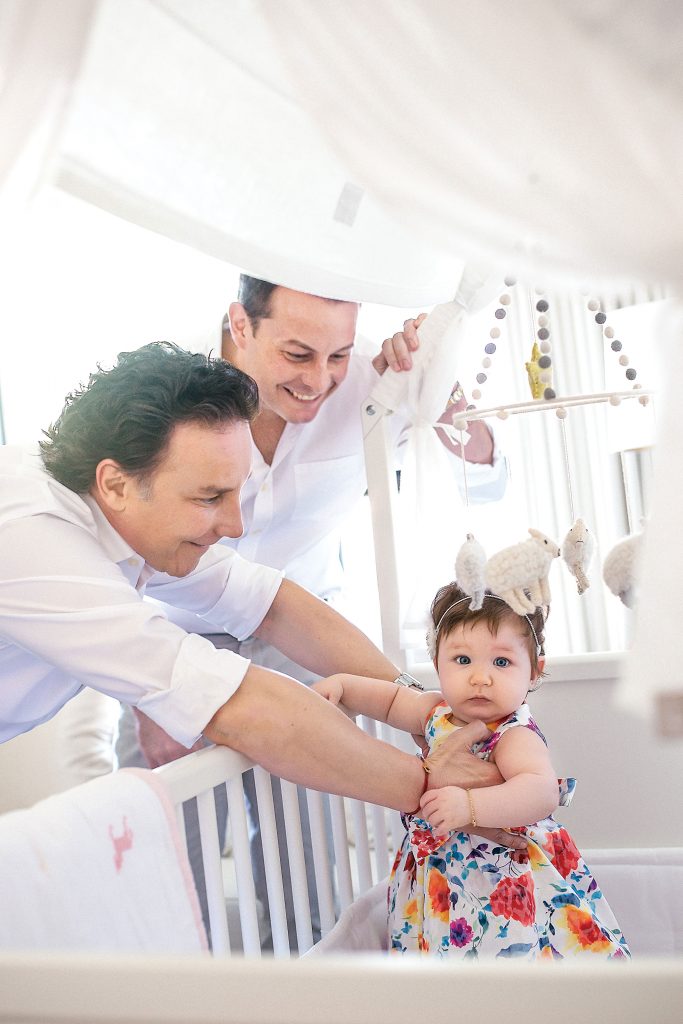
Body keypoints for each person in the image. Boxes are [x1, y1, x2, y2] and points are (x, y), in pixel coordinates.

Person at [118, 277, 508, 943]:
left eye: (337, 354)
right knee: (157, 859)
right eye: (297, 355)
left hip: (300, 638)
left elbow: (488, 474)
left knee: (308, 862)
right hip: (167, 637)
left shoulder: (369, 389)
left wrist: (435, 387)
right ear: (240, 323)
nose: (320, 380)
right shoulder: (161, 397)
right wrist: (142, 683)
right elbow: (112, 540)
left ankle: (311, 992)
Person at [0, 343, 520, 828]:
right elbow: (234, 704)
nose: (235, 526)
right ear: (115, 483)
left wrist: (421, 710)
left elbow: (271, 605)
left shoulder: (127, 516)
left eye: (237, 493)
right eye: (209, 498)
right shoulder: (32, 536)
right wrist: (439, 791)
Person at [312, 584, 631, 959]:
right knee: (436, 946)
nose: (480, 677)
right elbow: (390, 699)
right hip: (441, 875)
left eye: (501, 662)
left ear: (533, 672)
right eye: (462, 660)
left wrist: (469, 805)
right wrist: (344, 686)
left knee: (506, 956)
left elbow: (539, 791)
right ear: (437, 664)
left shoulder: (512, 735)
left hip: (501, 875)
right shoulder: (434, 711)